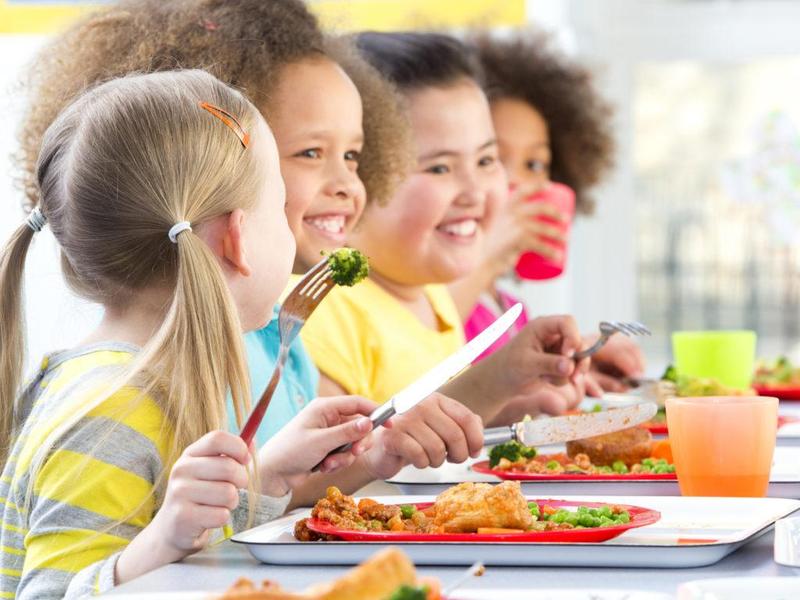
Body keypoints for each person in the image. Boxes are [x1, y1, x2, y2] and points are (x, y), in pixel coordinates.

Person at [0, 70, 388, 599]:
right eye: (278, 208)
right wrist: (160, 541)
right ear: (237, 239)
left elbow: (194, 548)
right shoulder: (113, 413)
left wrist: (267, 476)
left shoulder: (125, 383)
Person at [15, 0, 410, 444]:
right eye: (309, 154)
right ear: (234, 231)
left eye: (353, 155)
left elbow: (229, 502)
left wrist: (286, 475)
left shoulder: (276, 332)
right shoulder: (117, 412)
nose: (347, 184)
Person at [300, 32, 592, 426]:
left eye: (486, 160)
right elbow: (322, 475)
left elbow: (429, 424)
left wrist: (515, 396)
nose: (476, 192)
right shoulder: (323, 313)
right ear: (356, 176)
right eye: (439, 167)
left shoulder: (432, 297)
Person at [449, 31, 645, 391]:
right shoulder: (440, 300)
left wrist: (573, 368)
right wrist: (489, 255)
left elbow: (513, 394)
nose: (521, 182)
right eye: (491, 158)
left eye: (535, 164)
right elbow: (429, 359)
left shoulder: (511, 309)